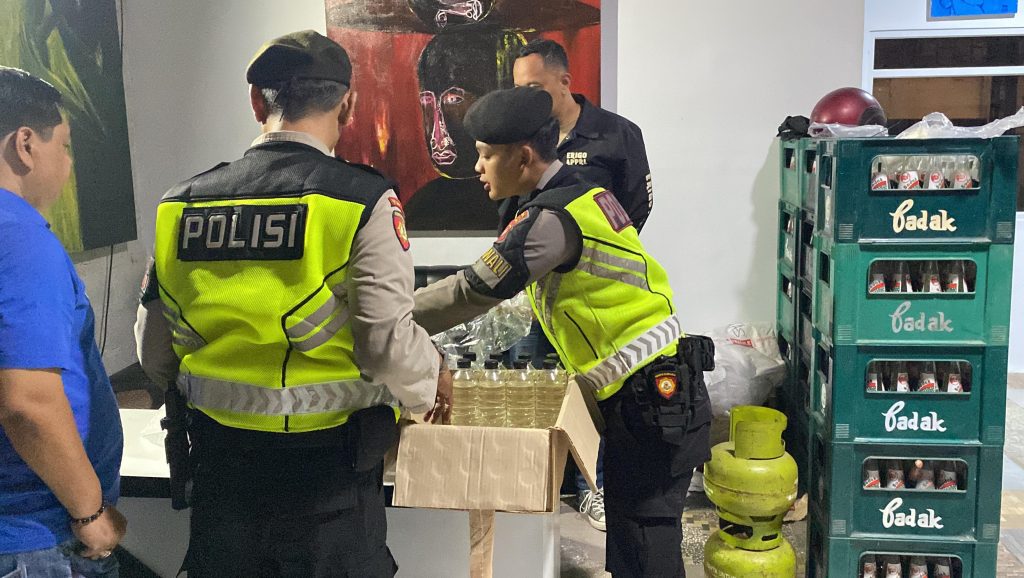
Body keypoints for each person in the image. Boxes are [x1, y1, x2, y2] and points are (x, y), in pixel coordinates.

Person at [134, 31, 452, 577]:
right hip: (328, 481)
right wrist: (430, 380)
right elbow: (386, 345)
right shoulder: (361, 200)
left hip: (220, 471)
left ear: (257, 103)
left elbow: (153, 350)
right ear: (347, 105)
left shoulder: (180, 204)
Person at [414, 86, 712, 578]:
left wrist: (390, 316)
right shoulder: (585, 193)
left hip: (650, 397)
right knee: (634, 535)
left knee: (645, 542)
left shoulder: (551, 219)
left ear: (523, 156)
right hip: (655, 388)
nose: (478, 167)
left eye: (486, 154)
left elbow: (472, 290)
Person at [511, 38, 657, 527]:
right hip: (537, 293)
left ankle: (592, 487)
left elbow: (635, 207)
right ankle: (541, 485)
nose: (526, 98)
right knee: (536, 386)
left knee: (595, 392)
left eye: (534, 87)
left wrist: (594, 256)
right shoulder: (522, 139)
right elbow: (511, 213)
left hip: (593, 297)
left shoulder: (616, 134)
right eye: (518, 89)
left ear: (565, 82)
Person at [0, 67, 126, 576]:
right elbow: (28, 402)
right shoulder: (19, 239)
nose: (68, 164)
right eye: (66, 146)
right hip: (32, 534)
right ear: (26, 144)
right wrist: (90, 512)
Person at [404, 30, 525, 232]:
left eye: (453, 100)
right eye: (427, 102)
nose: (438, 135)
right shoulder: (422, 207)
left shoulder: (523, 202)